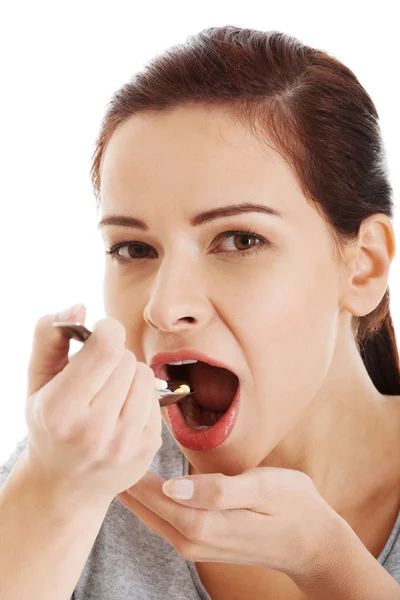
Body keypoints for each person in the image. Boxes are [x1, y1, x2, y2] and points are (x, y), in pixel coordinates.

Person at [1, 25, 400, 600]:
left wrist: (330, 565)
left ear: (362, 266)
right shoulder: (78, 469)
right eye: (133, 249)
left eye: (239, 240)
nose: (164, 308)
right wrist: (52, 492)